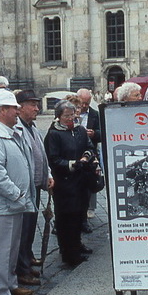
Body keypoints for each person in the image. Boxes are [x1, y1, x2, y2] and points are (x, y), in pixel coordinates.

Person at [0, 90, 36, 295]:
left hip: (13, 202)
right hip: (4, 204)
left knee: (12, 248)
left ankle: (10, 283)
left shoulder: (9, 132)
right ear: (2, 110)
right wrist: (16, 193)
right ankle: (0, 291)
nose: (17, 111)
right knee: (2, 250)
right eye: (14, 108)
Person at [45, 100, 97, 266]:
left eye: (72, 115)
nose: (70, 119)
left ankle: (77, 244)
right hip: (64, 183)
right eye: (66, 116)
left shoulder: (80, 130)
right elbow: (53, 159)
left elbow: (90, 148)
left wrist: (85, 158)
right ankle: (68, 252)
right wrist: (72, 164)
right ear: (58, 117)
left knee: (79, 215)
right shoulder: (54, 134)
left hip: (80, 180)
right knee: (66, 218)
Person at [14, 90, 54, 286]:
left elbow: (41, 156)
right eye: (33, 104)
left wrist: (48, 175)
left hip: (36, 185)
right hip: (24, 188)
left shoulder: (33, 128)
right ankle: (22, 270)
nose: (37, 108)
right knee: (23, 229)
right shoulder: (17, 130)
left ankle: (27, 259)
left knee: (30, 229)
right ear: (20, 107)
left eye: (37, 104)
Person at [76, 88, 102, 222]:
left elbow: (102, 133)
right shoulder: (71, 113)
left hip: (91, 151)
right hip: (75, 152)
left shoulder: (95, 114)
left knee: (92, 178)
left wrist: (94, 134)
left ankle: (91, 208)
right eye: (82, 103)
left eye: (87, 103)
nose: (85, 106)